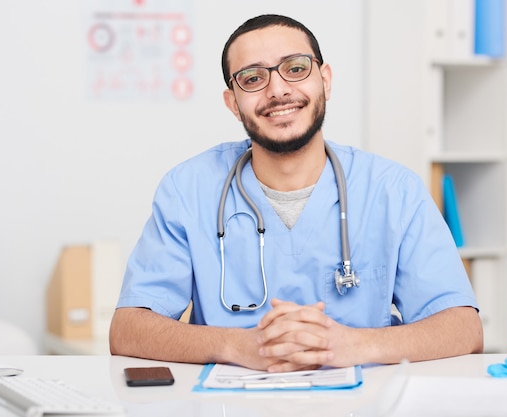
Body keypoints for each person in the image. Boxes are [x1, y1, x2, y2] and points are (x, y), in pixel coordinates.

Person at [110, 14, 483, 372]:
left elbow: (463, 328)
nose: (277, 89)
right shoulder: (188, 189)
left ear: (326, 80)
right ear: (233, 104)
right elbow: (129, 328)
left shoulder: (392, 189)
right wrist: (238, 346)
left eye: (295, 68)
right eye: (253, 78)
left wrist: (354, 345)